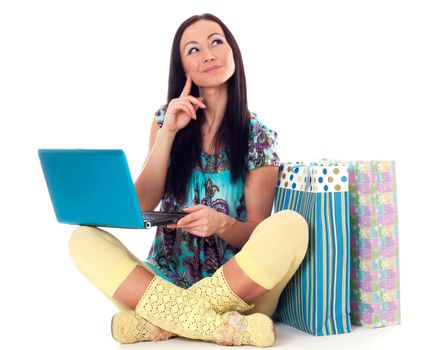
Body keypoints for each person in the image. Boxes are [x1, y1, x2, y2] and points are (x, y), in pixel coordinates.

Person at [69, 13, 309, 347]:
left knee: (291, 226)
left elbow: (256, 229)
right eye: (193, 49)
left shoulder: (259, 137)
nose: (208, 53)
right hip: (164, 279)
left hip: (239, 286)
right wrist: (168, 132)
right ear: (184, 68)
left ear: (233, 54)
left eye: (216, 42)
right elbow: (142, 203)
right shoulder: (164, 121)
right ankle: (220, 327)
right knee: (82, 239)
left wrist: (221, 224)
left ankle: (162, 322)